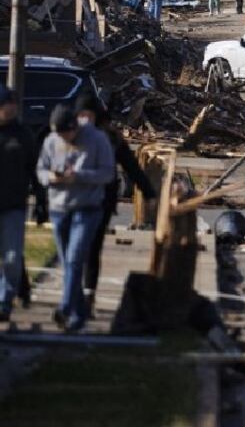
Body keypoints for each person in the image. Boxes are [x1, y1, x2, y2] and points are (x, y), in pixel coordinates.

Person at [72, 95, 153, 317]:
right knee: (75, 250)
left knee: (92, 248)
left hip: (102, 201)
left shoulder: (110, 138)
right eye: (80, 115)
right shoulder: (71, 135)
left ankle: (88, 296)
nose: (84, 120)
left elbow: (131, 166)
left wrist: (148, 192)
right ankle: (73, 295)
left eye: (88, 115)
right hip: (75, 200)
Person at [37, 103, 114, 332]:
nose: (64, 139)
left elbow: (108, 173)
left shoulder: (97, 138)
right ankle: (79, 316)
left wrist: (79, 176)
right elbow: (41, 169)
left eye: (67, 134)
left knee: (74, 259)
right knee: (69, 264)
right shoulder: (51, 140)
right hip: (59, 208)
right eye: (59, 135)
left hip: (87, 207)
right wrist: (50, 177)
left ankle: (65, 307)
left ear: (74, 127)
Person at [0, 86, 37, 321]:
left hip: (13, 205)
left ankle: (4, 299)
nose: (11, 108)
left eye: (14, 104)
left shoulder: (23, 135)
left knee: (12, 257)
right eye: (7, 104)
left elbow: (34, 167)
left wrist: (41, 198)